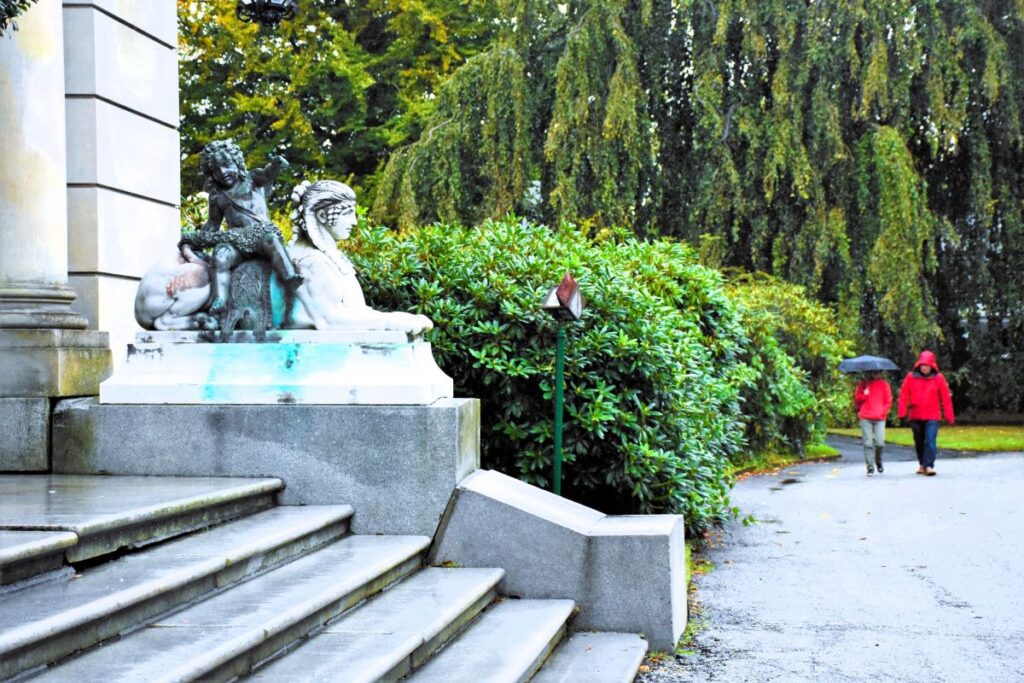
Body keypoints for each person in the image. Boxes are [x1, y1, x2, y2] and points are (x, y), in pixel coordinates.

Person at [180, 139, 303, 314]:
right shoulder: (217, 196)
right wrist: (198, 238)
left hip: (261, 234)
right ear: (210, 174)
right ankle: (220, 299)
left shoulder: (253, 179)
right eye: (216, 170)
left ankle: (289, 276)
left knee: (272, 241)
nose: (222, 172)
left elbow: (268, 174)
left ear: (237, 162)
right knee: (220, 255)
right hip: (236, 240)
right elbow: (213, 224)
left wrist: (276, 164)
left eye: (227, 164)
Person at [897, 350, 955, 476]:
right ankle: (922, 464)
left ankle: (929, 465)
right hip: (915, 415)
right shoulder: (910, 377)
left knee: (930, 440)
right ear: (919, 365)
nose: (924, 367)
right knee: (919, 441)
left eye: (927, 365)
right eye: (922, 365)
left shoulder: (938, 378)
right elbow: (904, 395)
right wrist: (902, 412)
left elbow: (945, 398)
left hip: (932, 415)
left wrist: (949, 415)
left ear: (932, 366)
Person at [854, 371, 892, 475]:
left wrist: (883, 412)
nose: (875, 374)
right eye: (873, 373)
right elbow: (857, 399)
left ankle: (878, 461)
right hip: (865, 417)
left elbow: (888, 401)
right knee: (868, 443)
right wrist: (864, 395)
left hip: (879, 418)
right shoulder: (863, 384)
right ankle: (870, 467)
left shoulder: (884, 385)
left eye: (878, 372)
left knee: (880, 443)